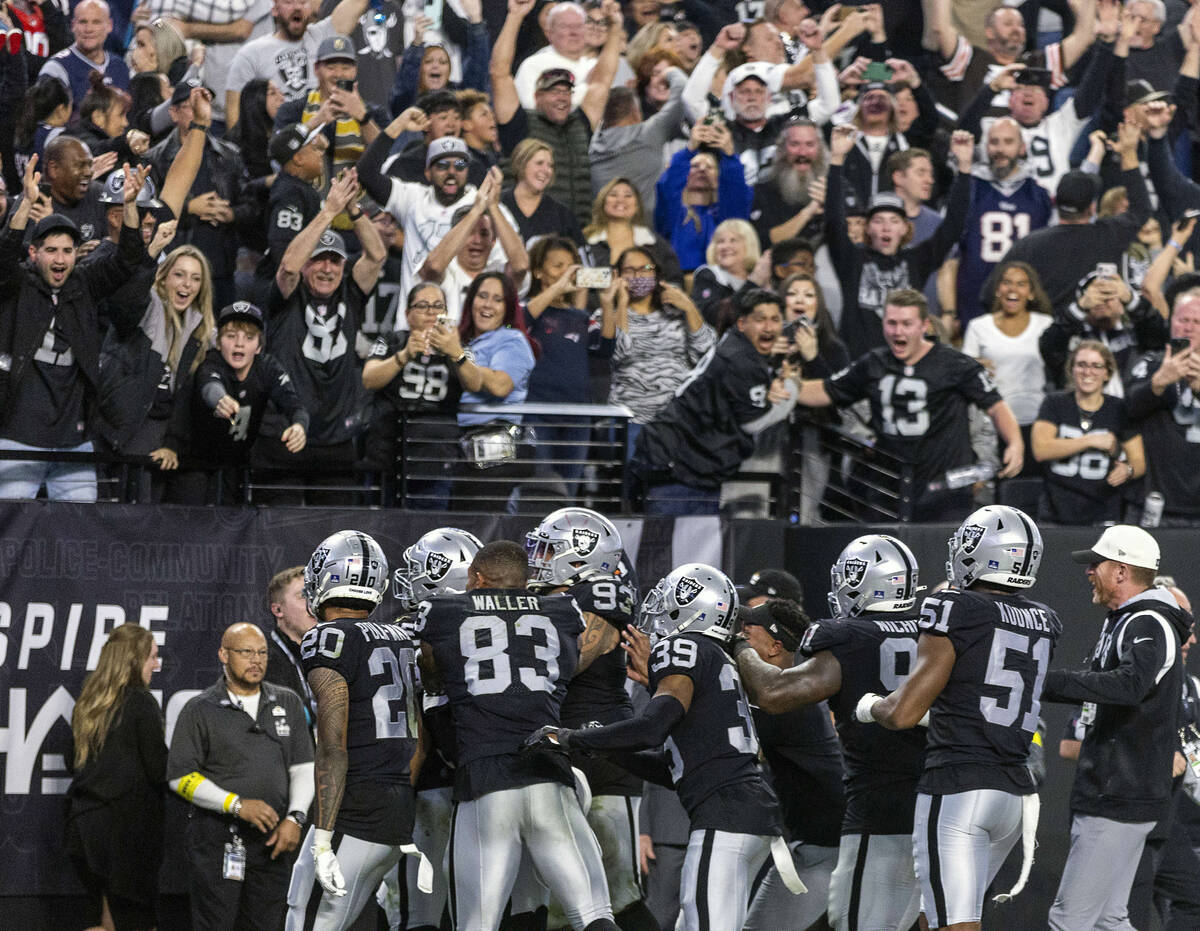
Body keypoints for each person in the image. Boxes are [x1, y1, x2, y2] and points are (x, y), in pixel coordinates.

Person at [525, 562, 803, 931]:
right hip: (744, 813)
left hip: (726, 817)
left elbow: (652, 727)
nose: (656, 607)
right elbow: (671, 767)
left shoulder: (683, 644)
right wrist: (604, 747)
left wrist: (569, 737)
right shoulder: (715, 656)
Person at [857, 505, 1062, 931]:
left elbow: (902, 713)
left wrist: (869, 705)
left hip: (959, 789)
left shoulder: (953, 607)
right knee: (933, 916)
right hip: (1014, 798)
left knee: (954, 923)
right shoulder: (1044, 620)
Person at [415, 540, 621, 931]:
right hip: (550, 776)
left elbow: (432, 672)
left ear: (477, 577)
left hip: (486, 782)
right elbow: (569, 663)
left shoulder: (442, 611)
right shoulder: (563, 609)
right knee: (595, 916)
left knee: (477, 923)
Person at [735, 535, 925, 931]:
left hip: (877, 809)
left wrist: (738, 648)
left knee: (855, 922)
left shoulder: (850, 637)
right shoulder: (932, 631)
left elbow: (773, 693)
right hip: (931, 808)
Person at [1042, 525, 1192, 930]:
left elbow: (1129, 686)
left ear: (1122, 571)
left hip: (1119, 794)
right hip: (1123, 792)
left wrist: (1044, 680)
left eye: (1097, 563)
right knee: (1110, 919)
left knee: (1069, 921)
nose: (1089, 571)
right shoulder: (1129, 620)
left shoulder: (1147, 621)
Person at [286, 530, 430, 929]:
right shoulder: (402, 637)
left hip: (355, 808)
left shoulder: (326, 637)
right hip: (397, 806)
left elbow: (332, 744)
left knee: (304, 920)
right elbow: (421, 739)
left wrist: (321, 837)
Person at [525, 507, 659, 930]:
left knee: (619, 894)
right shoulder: (555, 596)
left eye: (549, 550)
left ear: (581, 556)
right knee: (562, 900)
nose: (539, 559)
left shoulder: (600, 592)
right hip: (564, 749)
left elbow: (564, 662)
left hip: (601, 752)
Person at [795, 289, 1023, 522]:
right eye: (892, 323)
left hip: (945, 494)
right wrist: (788, 387)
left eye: (906, 323)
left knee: (941, 555)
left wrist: (1015, 442)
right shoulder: (873, 363)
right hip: (888, 491)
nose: (898, 331)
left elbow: (995, 405)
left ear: (924, 325)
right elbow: (826, 391)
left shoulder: (956, 364)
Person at [0, 158, 149, 502]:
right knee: (9, 534)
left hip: (74, 441)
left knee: (79, 536)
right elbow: (3, 260)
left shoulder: (84, 283)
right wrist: (24, 203)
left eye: (67, 251)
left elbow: (127, 261)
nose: (60, 259)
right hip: (17, 436)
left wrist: (129, 207)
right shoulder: (16, 284)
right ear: (34, 252)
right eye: (51, 250)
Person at [167, 622, 315, 931]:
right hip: (217, 840)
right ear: (223, 654)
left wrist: (295, 818)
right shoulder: (199, 709)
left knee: (269, 924)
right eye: (246, 652)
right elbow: (180, 777)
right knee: (216, 924)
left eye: (261, 652)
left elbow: (304, 767)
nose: (256, 660)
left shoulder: (287, 701)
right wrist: (236, 804)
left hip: (274, 840)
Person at [263, 168, 384, 502]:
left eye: (335, 261)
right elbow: (288, 266)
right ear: (306, 264)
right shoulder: (286, 294)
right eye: (318, 260)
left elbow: (377, 255)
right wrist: (327, 211)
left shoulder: (351, 292)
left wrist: (354, 211)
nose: (327, 269)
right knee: (279, 536)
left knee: (337, 537)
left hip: (337, 438)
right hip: (285, 432)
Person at [633, 288, 798, 515]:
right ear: (742, 323)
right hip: (677, 466)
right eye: (760, 320)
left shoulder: (738, 348)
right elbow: (752, 422)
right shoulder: (741, 359)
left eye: (775, 320)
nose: (769, 327)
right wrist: (793, 388)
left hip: (691, 466)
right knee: (665, 546)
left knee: (689, 547)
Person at [736, 596, 845, 931]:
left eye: (746, 635)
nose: (737, 640)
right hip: (822, 844)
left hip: (831, 849)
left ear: (774, 647)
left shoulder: (784, 704)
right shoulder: (792, 695)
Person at [826, 123, 973, 360]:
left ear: (906, 228)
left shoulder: (917, 260)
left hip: (904, 364)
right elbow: (833, 222)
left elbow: (953, 227)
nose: (886, 227)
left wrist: (964, 169)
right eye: (878, 220)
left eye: (894, 220)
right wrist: (836, 160)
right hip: (858, 365)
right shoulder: (851, 259)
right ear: (867, 227)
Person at [156, 301, 309, 504]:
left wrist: (299, 426)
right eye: (231, 336)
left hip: (236, 464)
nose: (239, 343)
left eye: (249, 337)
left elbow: (294, 404)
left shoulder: (267, 367)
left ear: (259, 346)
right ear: (218, 343)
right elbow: (210, 385)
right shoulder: (211, 362)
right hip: (195, 460)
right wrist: (221, 400)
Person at [66, 623, 165, 931]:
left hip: (84, 831)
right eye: (152, 656)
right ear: (135, 660)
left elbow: (74, 764)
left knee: (108, 923)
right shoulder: (140, 702)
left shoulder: (88, 704)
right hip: (125, 837)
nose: (157, 664)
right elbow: (159, 769)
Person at [490, 0, 623, 226]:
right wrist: (514, 17)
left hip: (575, 227)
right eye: (553, 92)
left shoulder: (580, 124)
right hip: (524, 226)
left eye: (566, 92)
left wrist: (616, 26)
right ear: (537, 96)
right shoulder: (519, 123)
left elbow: (603, 80)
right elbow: (499, 73)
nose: (562, 98)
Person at [427, 271, 537, 511]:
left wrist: (457, 355)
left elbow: (500, 385)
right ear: (471, 301)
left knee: (485, 526)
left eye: (498, 299)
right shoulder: (464, 342)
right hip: (461, 449)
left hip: (497, 449)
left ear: (508, 308)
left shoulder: (512, 339)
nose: (488, 305)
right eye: (482, 296)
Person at [938, 117, 1052, 333]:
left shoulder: (1040, 196)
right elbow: (948, 258)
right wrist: (949, 310)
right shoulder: (967, 191)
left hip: (1026, 308)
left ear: (1022, 147)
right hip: (972, 304)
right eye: (994, 142)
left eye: (1008, 142)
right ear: (985, 146)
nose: (1000, 149)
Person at [523, 237, 615, 497]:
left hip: (577, 415)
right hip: (536, 413)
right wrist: (559, 287)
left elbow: (605, 350)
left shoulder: (582, 318)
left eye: (571, 267)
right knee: (538, 490)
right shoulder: (525, 309)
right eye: (557, 266)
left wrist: (607, 304)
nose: (566, 273)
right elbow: (518, 323)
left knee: (568, 493)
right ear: (538, 271)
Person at [605, 246, 715, 456]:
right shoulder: (606, 314)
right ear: (617, 275)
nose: (638, 276)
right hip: (631, 419)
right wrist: (621, 302)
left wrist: (689, 307)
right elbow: (620, 353)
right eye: (630, 270)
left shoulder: (676, 313)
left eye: (645, 268)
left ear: (656, 273)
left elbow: (707, 354)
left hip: (677, 420)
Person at [362, 282, 461, 508]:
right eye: (423, 306)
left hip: (435, 459)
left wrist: (456, 354)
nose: (430, 312)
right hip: (387, 458)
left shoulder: (457, 348)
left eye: (438, 306)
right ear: (407, 314)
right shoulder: (390, 340)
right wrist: (404, 355)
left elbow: (475, 383)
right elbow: (369, 378)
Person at [1033, 340, 1145, 525]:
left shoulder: (1119, 408)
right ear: (1071, 369)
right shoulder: (1055, 403)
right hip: (1055, 513)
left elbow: (1139, 462)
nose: (1088, 372)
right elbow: (1041, 449)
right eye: (1081, 365)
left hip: (1102, 512)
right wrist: (1090, 440)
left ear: (1107, 372)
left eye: (1096, 366)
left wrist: (1128, 469)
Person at [961, 260, 1054, 472]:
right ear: (997, 289)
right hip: (990, 425)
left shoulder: (1046, 325)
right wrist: (973, 367)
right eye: (1007, 283)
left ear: (1031, 293)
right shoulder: (978, 327)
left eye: (1021, 284)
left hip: (1036, 423)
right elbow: (963, 376)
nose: (1013, 289)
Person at [1125, 284, 1200, 524]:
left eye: (1197, 322)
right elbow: (1125, 409)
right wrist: (1157, 383)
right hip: (1155, 502)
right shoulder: (1150, 363)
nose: (1188, 327)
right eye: (1182, 319)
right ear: (1171, 322)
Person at [419, 165, 529, 324]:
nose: (477, 240)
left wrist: (493, 206)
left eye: (484, 234)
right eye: (470, 233)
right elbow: (434, 267)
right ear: (457, 239)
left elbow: (521, 266)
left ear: (493, 242)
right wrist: (477, 209)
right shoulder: (447, 272)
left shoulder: (498, 273)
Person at [654, 118, 752, 275]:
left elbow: (736, 194)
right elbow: (669, 188)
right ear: (684, 173)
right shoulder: (674, 214)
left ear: (718, 178)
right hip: (679, 280)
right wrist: (689, 149)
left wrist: (728, 154)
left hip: (722, 282)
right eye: (694, 166)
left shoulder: (724, 215)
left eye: (709, 167)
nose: (702, 170)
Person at [580, 179, 681, 286]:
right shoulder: (585, 239)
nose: (620, 200)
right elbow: (576, 276)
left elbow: (667, 274)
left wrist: (645, 269)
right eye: (613, 195)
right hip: (595, 302)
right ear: (603, 202)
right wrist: (614, 280)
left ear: (637, 206)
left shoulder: (653, 242)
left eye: (628, 196)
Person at [39, 0, 130, 108]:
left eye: (96, 22)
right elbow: (45, 122)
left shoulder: (120, 66)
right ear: (73, 25)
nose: (89, 29)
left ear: (109, 25)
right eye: (83, 22)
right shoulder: (56, 69)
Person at [500, 137, 584, 246]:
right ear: (521, 164)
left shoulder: (562, 214)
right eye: (539, 163)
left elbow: (581, 257)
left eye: (550, 166)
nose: (546, 170)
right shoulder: (498, 204)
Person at [689, 218, 767, 328]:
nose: (725, 247)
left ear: (749, 245)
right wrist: (753, 283)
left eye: (733, 240)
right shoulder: (708, 275)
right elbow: (712, 318)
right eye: (720, 241)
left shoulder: (763, 278)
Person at [264, 565, 317, 725]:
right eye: (303, 596)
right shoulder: (264, 658)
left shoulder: (328, 652)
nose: (313, 604)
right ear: (278, 610)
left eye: (314, 595)